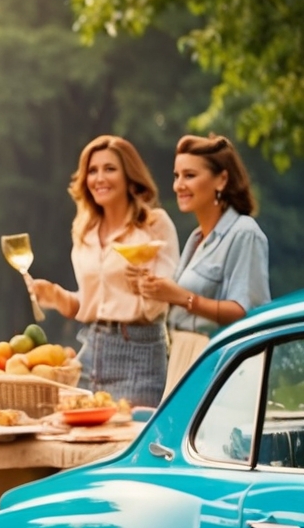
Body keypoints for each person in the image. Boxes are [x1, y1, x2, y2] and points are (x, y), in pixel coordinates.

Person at [28, 135, 180, 408]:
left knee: (128, 442)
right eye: (93, 170)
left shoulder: (154, 224)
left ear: (129, 176)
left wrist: (147, 286)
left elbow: (166, 298)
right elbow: (89, 304)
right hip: (91, 349)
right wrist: (58, 297)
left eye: (110, 169)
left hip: (139, 353)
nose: (100, 178)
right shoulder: (83, 230)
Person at [127, 135, 271, 391]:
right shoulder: (195, 238)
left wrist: (181, 297)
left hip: (220, 364)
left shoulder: (244, 233)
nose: (178, 185)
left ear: (222, 179)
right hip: (184, 358)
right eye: (176, 176)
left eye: (189, 175)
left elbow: (247, 313)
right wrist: (152, 287)